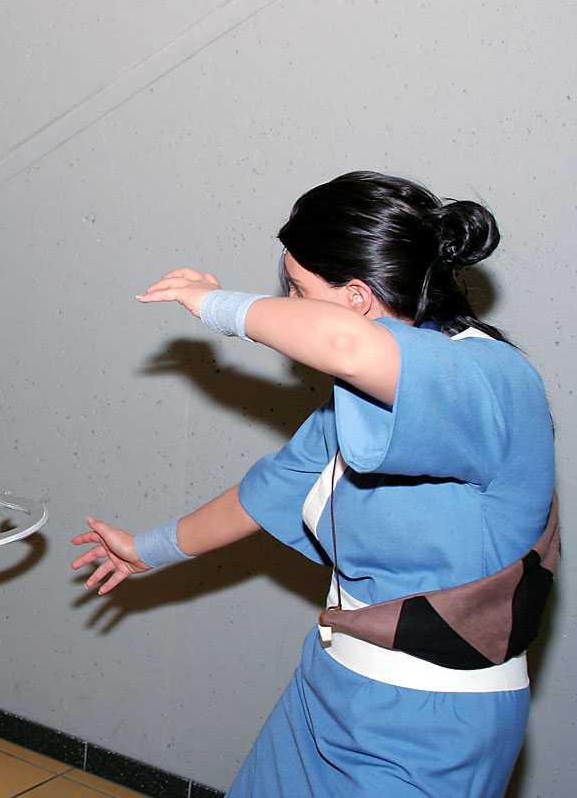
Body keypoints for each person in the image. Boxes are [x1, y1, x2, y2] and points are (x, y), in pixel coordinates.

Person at [71, 171, 556, 797]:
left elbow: (345, 345)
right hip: (328, 691)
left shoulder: (492, 379)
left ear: (356, 297)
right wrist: (147, 550)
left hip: (434, 729)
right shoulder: (355, 403)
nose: (287, 303)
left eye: (297, 290)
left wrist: (217, 306)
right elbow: (270, 490)